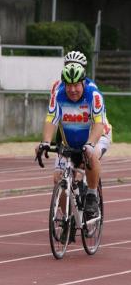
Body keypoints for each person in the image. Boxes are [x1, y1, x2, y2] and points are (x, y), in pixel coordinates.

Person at [37, 63, 111, 225]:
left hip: (97, 135)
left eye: (76, 85)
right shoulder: (58, 95)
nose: (72, 90)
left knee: (91, 155)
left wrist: (91, 144)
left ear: (83, 83)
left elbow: (99, 124)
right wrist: (46, 142)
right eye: (69, 86)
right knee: (58, 178)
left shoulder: (94, 95)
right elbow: (51, 119)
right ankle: (68, 219)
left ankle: (91, 195)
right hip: (71, 142)